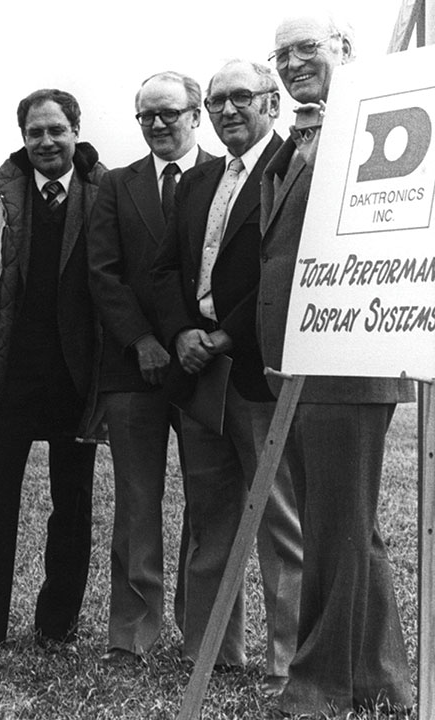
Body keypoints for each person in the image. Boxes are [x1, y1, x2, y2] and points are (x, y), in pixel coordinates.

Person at [258, 13, 414, 716]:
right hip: (298, 358)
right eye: (281, 55)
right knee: (348, 523)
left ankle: (319, 684)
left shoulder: (366, 121)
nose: (292, 64)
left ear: (345, 50)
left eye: (307, 50)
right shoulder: (303, 135)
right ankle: (383, 679)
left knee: (335, 525)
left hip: (347, 354)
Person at [151, 60, 302, 696]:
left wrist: (225, 335)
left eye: (242, 97)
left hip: (255, 368)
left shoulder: (294, 166)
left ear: (272, 101)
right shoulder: (200, 178)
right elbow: (164, 269)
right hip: (198, 373)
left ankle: (287, 659)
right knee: (209, 517)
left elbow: (284, 267)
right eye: (217, 102)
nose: (228, 110)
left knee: (277, 520)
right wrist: (183, 333)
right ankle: (210, 652)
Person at [0, 89, 103, 648]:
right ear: (23, 137)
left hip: (75, 376)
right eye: (35, 132)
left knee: (73, 503)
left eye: (56, 130)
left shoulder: (102, 191)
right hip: (11, 371)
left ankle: (56, 627)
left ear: (76, 131)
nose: (45, 142)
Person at [86, 70, 215, 665]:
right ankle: (131, 637)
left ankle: (206, 639)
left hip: (206, 369)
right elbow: (103, 273)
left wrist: (198, 340)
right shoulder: (116, 185)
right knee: (137, 505)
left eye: (168, 113)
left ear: (196, 114)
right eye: (146, 116)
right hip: (132, 369)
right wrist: (141, 338)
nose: (157, 125)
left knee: (208, 505)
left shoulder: (225, 177)